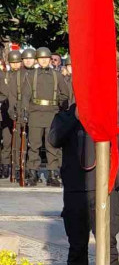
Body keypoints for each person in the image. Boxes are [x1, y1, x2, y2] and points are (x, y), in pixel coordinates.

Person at [49, 104, 119, 265]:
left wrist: (105, 120)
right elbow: (54, 140)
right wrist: (75, 118)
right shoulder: (66, 116)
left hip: (104, 188)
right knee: (77, 245)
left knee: (108, 244)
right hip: (76, 188)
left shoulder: (108, 112)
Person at [24, 47, 71, 187]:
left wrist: (60, 109)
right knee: (34, 145)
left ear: (50, 59)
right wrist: (25, 111)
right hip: (35, 113)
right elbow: (26, 96)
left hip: (52, 113)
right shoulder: (31, 75)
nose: (44, 60)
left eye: (46, 58)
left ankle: (53, 174)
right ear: (37, 60)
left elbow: (65, 94)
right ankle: (33, 173)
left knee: (52, 146)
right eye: (41, 58)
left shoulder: (57, 76)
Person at [3, 50, 24, 182]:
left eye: (17, 62)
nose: (15, 65)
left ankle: (16, 166)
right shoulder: (5, 76)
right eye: (13, 63)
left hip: (18, 110)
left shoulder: (24, 75)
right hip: (5, 111)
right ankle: (5, 165)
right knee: (6, 141)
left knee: (17, 141)